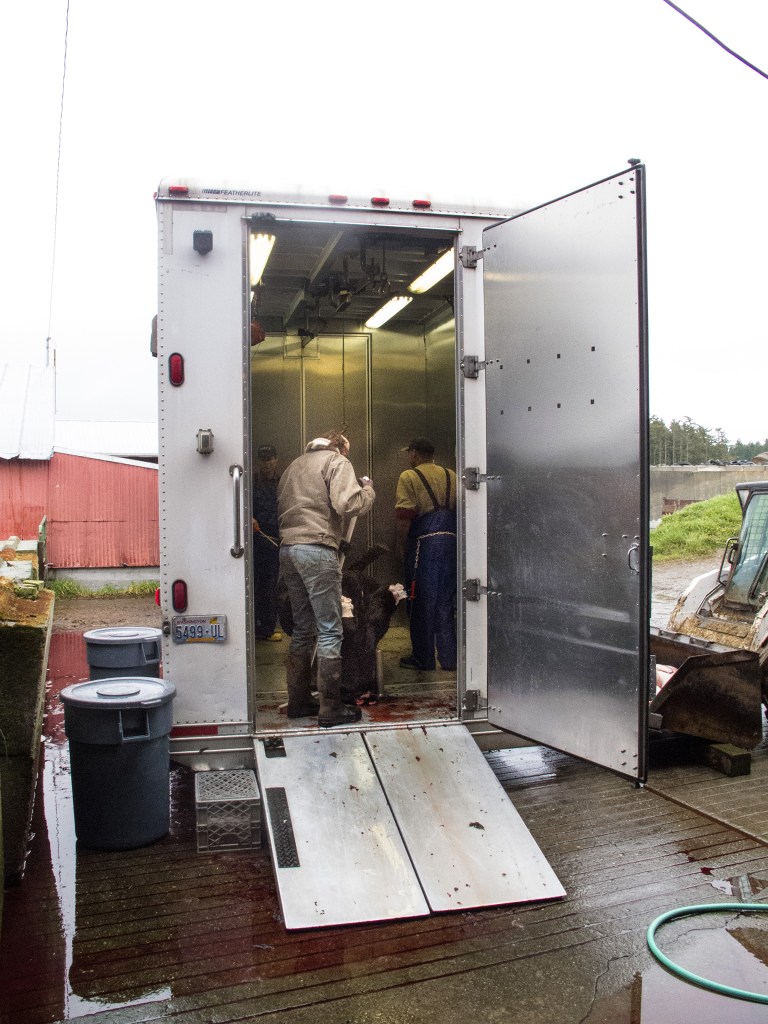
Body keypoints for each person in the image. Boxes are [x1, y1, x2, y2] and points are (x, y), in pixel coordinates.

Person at [277, 430, 375, 726]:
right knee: (330, 629)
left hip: (288, 550)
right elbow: (349, 503)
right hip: (317, 549)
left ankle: (298, 702)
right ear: (340, 447)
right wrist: (368, 489)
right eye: (347, 452)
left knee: (303, 628)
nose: (347, 457)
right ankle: (330, 709)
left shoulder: (294, 466)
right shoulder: (336, 461)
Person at [395, 437, 457, 672]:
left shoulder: (408, 476)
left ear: (413, 453)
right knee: (445, 602)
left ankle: (423, 658)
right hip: (452, 542)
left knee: (420, 600)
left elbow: (404, 515)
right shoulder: (451, 475)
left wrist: (401, 546)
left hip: (425, 543)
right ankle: (449, 659)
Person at [252, 444, 282, 641]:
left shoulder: (282, 482)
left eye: (269, 459)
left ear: (276, 460)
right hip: (254, 539)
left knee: (270, 584)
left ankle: (268, 628)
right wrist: (250, 517)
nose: (266, 463)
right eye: (263, 459)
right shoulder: (250, 482)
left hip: (275, 541)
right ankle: (253, 627)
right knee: (253, 583)